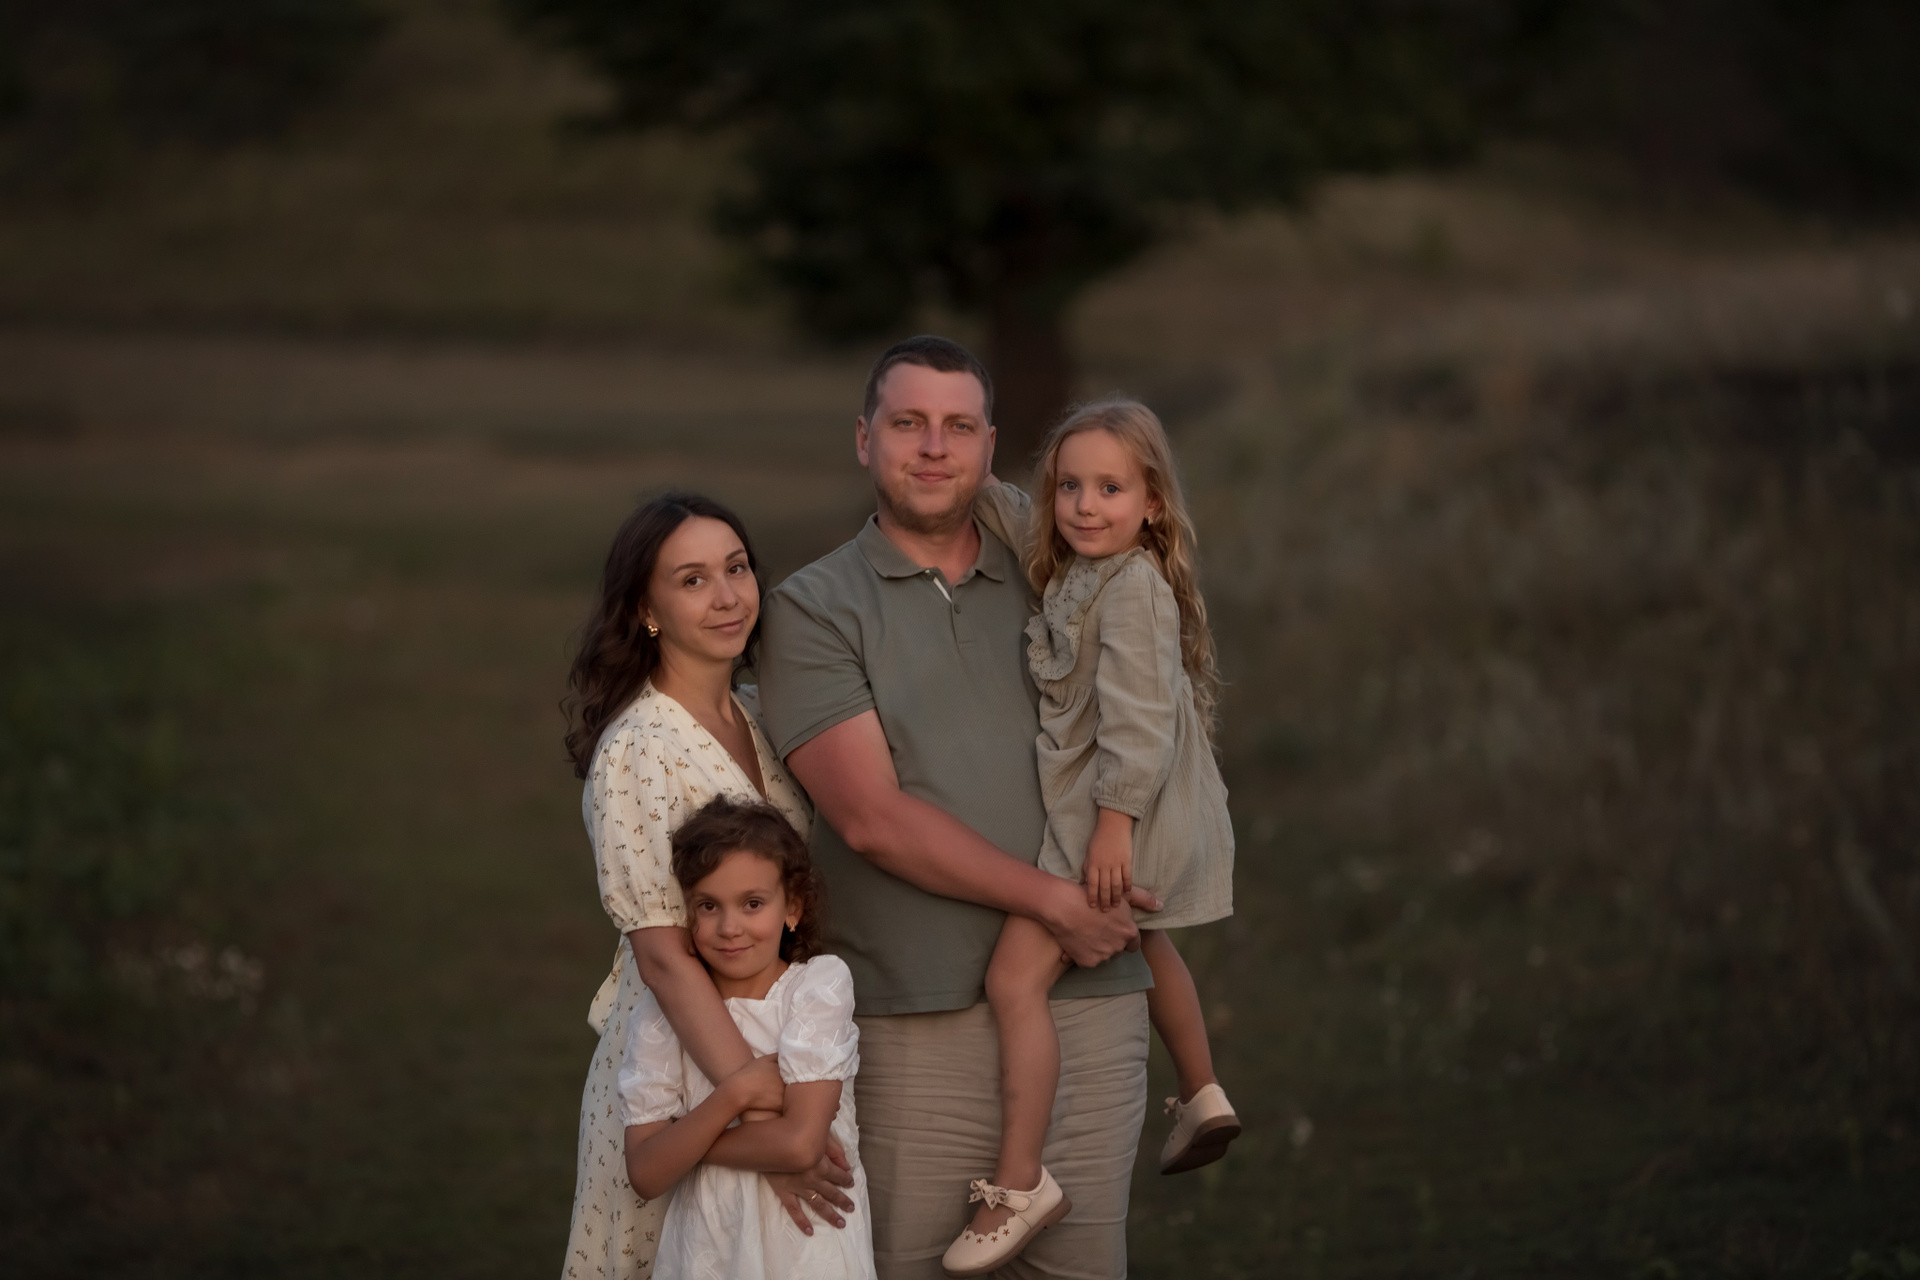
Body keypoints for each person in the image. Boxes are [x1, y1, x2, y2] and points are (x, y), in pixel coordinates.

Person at [758, 336, 1162, 1280]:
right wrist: (1057, 902)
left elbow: (1152, 696)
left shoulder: (1057, 563)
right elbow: (872, 819)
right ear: (865, 439)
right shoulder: (811, 608)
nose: (934, 448)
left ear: (989, 444)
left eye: (958, 427)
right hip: (914, 1017)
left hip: (1088, 1000)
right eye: (909, 424)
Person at [944, 400, 1238, 1275]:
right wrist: (961, 460)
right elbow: (1011, 510)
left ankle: (1021, 1180)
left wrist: (1113, 826)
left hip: (1115, 818)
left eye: (1110, 488)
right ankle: (1202, 1090)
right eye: (1069, 486)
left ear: (1152, 503)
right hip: (1118, 817)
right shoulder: (1078, 567)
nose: (1084, 505)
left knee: (1013, 979)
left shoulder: (1134, 587)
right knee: (1145, 940)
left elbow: (1140, 721)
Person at [561, 493, 855, 1280]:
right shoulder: (640, 746)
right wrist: (764, 1120)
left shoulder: (756, 715)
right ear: (646, 610)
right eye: (692, 580)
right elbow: (663, 956)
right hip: (688, 1084)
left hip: (779, 1060)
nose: (727, 596)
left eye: (736, 569)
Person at [619, 794, 877, 1279]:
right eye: (708, 906)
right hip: (709, 1246)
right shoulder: (662, 1014)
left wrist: (683, 1145)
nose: (729, 927)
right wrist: (736, 1093)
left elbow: (800, 1146)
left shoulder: (816, 986)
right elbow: (646, 1176)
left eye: (752, 904)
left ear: (792, 907)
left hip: (807, 1239)